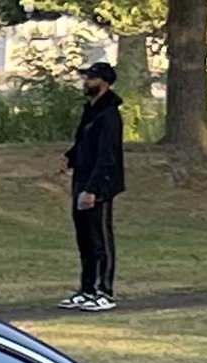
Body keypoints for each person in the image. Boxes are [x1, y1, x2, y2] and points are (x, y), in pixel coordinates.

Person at [61, 60, 126, 311]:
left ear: (105, 82)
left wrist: (93, 189)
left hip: (98, 186)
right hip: (81, 179)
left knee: (100, 239)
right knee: (84, 238)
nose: (86, 82)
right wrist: (70, 158)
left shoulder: (109, 115)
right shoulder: (90, 110)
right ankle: (86, 288)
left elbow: (107, 155)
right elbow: (83, 144)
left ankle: (104, 290)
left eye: (91, 78)